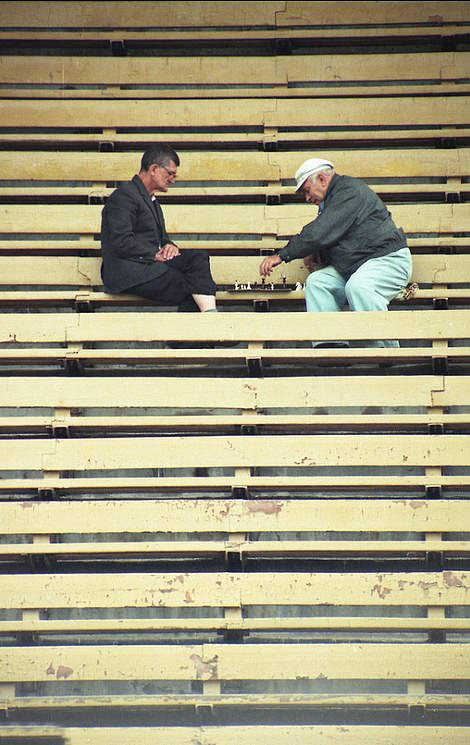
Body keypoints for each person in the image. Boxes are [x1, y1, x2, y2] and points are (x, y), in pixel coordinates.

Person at [259, 158, 412, 348]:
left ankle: (387, 352)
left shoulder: (348, 191)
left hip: (388, 261)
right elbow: (345, 239)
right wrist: (316, 254)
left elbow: (321, 232)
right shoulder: (334, 199)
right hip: (357, 266)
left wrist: (282, 255)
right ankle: (331, 346)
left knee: (358, 287)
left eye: (306, 191)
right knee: (317, 282)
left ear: (322, 179)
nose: (307, 198)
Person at [101, 144, 218, 314]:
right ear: (154, 169)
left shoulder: (150, 200)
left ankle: (205, 327)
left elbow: (160, 238)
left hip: (148, 266)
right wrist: (154, 254)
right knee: (195, 287)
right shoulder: (123, 196)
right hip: (130, 272)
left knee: (198, 261)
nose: (173, 179)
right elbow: (121, 241)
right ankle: (209, 326)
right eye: (170, 173)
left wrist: (169, 245)